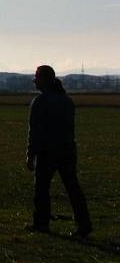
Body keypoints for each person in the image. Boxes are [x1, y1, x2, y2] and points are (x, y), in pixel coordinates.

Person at [25, 64, 92, 238]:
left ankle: (41, 224)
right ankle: (84, 223)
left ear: (43, 80)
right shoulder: (66, 101)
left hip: (47, 151)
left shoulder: (39, 102)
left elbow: (35, 132)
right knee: (72, 186)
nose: (34, 81)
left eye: (37, 78)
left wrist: (30, 154)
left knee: (41, 188)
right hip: (68, 149)